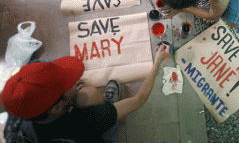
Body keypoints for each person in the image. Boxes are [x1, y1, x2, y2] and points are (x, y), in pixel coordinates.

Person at [2, 44, 170, 143]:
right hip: (86, 134)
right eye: (68, 84)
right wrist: (157, 63)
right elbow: (139, 99)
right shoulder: (84, 122)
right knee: (90, 95)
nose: (75, 81)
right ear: (58, 107)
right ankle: (111, 124)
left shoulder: (18, 109)